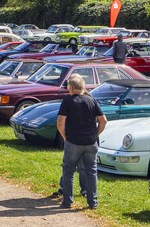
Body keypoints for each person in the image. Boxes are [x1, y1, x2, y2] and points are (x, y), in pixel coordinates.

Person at [56, 74, 106, 209]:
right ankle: (93, 202)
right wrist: (96, 134)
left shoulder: (67, 101)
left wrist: (64, 136)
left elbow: (60, 123)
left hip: (74, 141)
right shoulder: (92, 101)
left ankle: (68, 201)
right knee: (92, 171)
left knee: (69, 171)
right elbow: (103, 121)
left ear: (71, 88)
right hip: (90, 142)